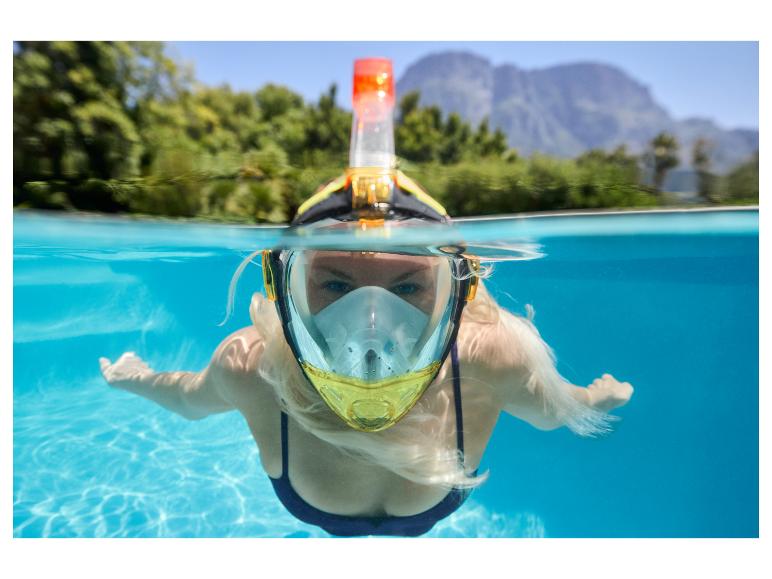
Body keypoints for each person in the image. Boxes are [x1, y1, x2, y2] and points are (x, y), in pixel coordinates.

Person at [99, 58, 633, 537]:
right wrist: (137, 379)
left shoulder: (488, 357)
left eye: (408, 287)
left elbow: (554, 410)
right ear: (283, 289)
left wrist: (592, 399)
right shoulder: (253, 366)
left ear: (459, 291)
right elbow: (190, 399)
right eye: (334, 283)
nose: (370, 323)